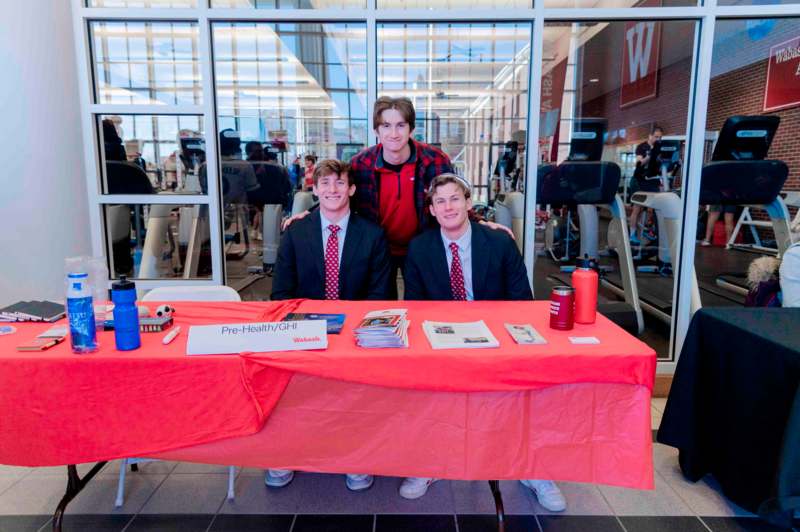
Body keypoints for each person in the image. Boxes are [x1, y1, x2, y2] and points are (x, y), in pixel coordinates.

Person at [400, 174, 567, 512]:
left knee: (528, 387)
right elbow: (414, 309)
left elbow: (522, 301)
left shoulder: (500, 242)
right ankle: (431, 462)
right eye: (440, 201)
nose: (448, 206)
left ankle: (532, 469)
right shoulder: (419, 248)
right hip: (442, 339)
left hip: (496, 340)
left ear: (468, 203)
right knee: (420, 384)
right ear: (432, 210)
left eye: (455, 199)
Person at [268, 159, 391, 491]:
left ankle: (355, 458)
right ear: (315, 189)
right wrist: (305, 327)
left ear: (351, 189)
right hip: (304, 329)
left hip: (354, 332)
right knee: (291, 390)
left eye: (339, 183)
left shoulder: (373, 235)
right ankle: (286, 455)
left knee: (356, 395)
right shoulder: (296, 232)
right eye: (325, 183)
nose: (332, 190)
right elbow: (280, 293)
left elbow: (382, 296)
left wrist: (351, 329)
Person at [629, 126, 663, 244]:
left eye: (660, 137)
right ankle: (632, 235)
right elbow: (639, 163)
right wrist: (650, 155)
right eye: (656, 136)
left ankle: (649, 230)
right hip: (639, 180)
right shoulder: (642, 147)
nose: (658, 139)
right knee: (637, 209)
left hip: (652, 180)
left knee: (656, 208)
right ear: (650, 136)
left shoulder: (660, 148)